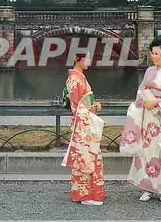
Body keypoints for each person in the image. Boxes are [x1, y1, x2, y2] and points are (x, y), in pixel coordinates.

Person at [120, 37, 161, 202]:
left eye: (156, 53)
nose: (153, 56)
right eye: (152, 53)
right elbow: (141, 91)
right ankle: (147, 187)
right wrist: (143, 101)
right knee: (146, 152)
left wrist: (155, 102)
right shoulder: (149, 71)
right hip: (147, 118)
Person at [61, 52, 105, 206]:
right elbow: (78, 105)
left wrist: (93, 105)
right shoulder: (74, 78)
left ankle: (86, 193)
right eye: (86, 58)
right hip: (83, 124)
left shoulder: (79, 77)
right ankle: (86, 195)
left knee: (90, 156)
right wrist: (94, 106)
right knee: (86, 158)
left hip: (85, 121)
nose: (89, 61)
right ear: (76, 58)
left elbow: (83, 101)